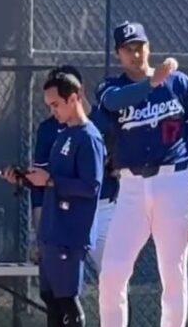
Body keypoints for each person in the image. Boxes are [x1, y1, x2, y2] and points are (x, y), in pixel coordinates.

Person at [85, 21, 188, 327]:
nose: (135, 52)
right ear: (117, 54)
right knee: (112, 272)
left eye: (140, 44)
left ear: (149, 45)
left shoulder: (180, 83)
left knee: (172, 274)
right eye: (128, 47)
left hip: (173, 183)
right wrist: (151, 82)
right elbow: (111, 105)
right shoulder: (111, 88)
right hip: (129, 188)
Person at [6, 68, 105, 327]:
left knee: (66, 297)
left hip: (70, 232)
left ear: (74, 98)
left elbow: (91, 186)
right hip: (51, 229)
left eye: (56, 104)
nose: (53, 111)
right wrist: (26, 179)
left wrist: (50, 181)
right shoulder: (63, 134)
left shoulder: (89, 138)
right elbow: (52, 178)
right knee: (51, 297)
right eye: (49, 106)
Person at [30, 66, 120, 272]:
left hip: (104, 206)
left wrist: (116, 165)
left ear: (76, 94)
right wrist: (40, 234)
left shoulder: (104, 122)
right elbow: (40, 186)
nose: (53, 109)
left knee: (112, 276)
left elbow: (102, 178)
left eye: (57, 101)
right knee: (60, 284)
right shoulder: (49, 130)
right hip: (64, 210)